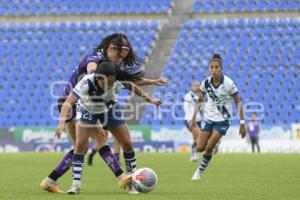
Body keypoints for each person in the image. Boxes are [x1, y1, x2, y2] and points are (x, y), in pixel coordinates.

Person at [40, 33, 167, 194]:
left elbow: (127, 81)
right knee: (95, 141)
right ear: (110, 48)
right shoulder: (95, 59)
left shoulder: (110, 66)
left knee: (85, 145)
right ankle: (122, 177)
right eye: (118, 54)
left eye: (122, 55)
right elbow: (92, 71)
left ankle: (51, 180)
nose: (119, 59)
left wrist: (152, 83)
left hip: (84, 102)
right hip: (75, 102)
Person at [56, 61, 162, 194]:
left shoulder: (117, 80)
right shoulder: (86, 82)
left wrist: (149, 98)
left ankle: (132, 182)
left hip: (110, 109)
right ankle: (75, 186)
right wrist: (61, 122)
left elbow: (132, 86)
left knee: (127, 143)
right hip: (87, 110)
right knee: (80, 145)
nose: (109, 86)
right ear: (98, 78)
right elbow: (68, 102)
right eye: (106, 83)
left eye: (112, 82)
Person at [190, 53, 246, 180]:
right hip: (208, 118)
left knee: (209, 146)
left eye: (216, 67)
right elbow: (200, 100)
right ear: (209, 69)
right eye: (211, 67)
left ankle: (199, 172)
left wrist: (242, 123)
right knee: (199, 148)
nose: (214, 70)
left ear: (221, 68)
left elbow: (238, 102)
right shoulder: (205, 83)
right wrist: (193, 118)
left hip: (223, 120)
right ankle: (215, 144)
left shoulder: (229, 83)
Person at [183, 82, 201, 161]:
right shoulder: (189, 96)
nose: (197, 87)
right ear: (192, 86)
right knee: (199, 137)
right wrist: (190, 119)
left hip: (199, 120)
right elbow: (186, 107)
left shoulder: (200, 96)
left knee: (196, 138)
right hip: (190, 120)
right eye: (195, 86)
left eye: (198, 86)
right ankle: (194, 154)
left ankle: (194, 154)